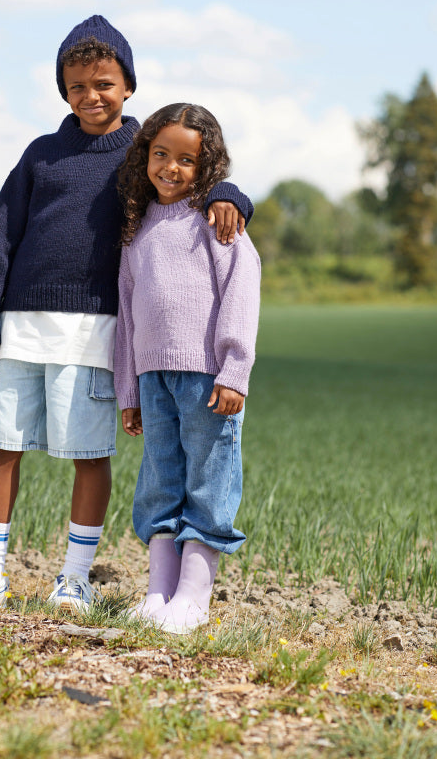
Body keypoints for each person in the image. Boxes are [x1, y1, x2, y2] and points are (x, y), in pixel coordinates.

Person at [0, 17, 253, 612]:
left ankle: (74, 577)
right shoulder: (41, 155)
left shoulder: (141, 154)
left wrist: (232, 196)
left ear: (128, 86)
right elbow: (0, 238)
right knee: (2, 443)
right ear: (62, 91)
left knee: (89, 455)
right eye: (76, 86)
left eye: (103, 83)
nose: (90, 96)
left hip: (97, 331)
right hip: (22, 326)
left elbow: (191, 179)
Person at [114, 102, 260, 633]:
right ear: (145, 155)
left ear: (208, 168)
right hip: (153, 379)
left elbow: (242, 293)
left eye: (186, 160)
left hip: (207, 377)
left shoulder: (218, 219)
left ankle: (193, 599)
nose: (170, 168)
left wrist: (234, 370)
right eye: (160, 155)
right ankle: (158, 593)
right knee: (159, 480)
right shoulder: (135, 229)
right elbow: (128, 315)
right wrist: (128, 387)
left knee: (209, 480)